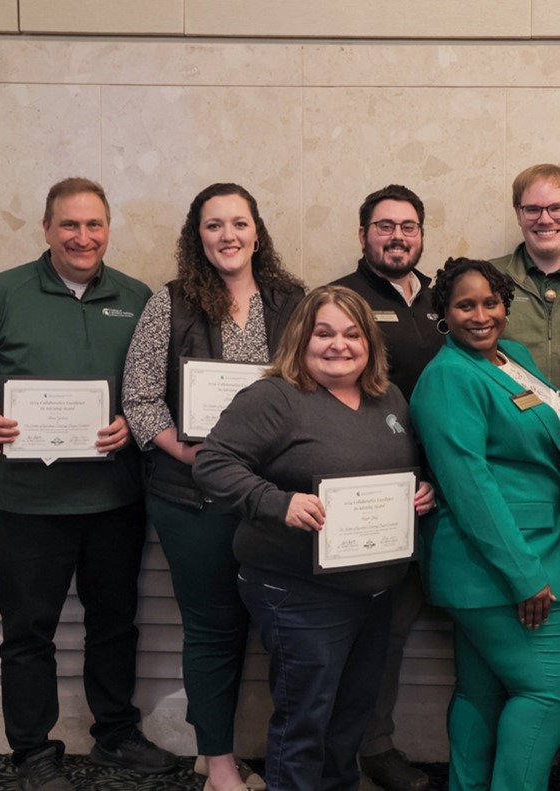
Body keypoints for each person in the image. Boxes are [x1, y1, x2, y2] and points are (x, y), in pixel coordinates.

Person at [0, 178, 177, 791]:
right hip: (29, 503)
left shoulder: (138, 297)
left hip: (115, 497)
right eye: (70, 225)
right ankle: (34, 753)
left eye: (94, 225)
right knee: (28, 632)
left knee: (115, 624)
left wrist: (134, 421)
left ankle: (116, 733)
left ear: (108, 230)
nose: (83, 237)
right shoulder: (3, 292)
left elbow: (157, 386)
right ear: (46, 228)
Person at [192, 286, 435, 791]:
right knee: (305, 724)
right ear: (302, 339)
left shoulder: (387, 397)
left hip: (374, 591)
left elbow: (398, 470)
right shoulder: (274, 397)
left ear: (369, 342)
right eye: (323, 333)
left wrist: (421, 492)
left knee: (348, 722)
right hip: (299, 593)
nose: (338, 345)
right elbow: (214, 464)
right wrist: (280, 503)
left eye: (351, 334)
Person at [122, 182, 304, 791]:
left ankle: (262, 755)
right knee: (212, 629)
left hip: (272, 496)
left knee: (280, 628)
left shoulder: (291, 300)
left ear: (258, 231)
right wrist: (184, 450)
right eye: (213, 225)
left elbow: (313, 383)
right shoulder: (168, 303)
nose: (228, 236)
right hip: (191, 496)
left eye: (239, 223)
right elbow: (141, 396)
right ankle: (219, 766)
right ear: (196, 236)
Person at [409, 257, 560, 791]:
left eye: (490, 302)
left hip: (536, 543)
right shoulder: (446, 378)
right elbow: (471, 487)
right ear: (443, 313)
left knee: (480, 692)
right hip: (498, 563)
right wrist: (524, 576)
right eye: (465, 305)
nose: (480, 315)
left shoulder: (516, 356)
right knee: (549, 687)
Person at [330, 184, 443, 791]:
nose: (397, 237)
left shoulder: (442, 299)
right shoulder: (343, 301)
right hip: (374, 494)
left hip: (442, 492)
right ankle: (357, 750)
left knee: (412, 621)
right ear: (363, 235)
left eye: (408, 227)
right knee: (373, 627)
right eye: (384, 226)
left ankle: (374, 745)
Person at [490, 163, 560, 396]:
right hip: (514, 426)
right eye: (532, 209)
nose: (545, 219)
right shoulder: (487, 279)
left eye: (556, 208)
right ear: (518, 214)